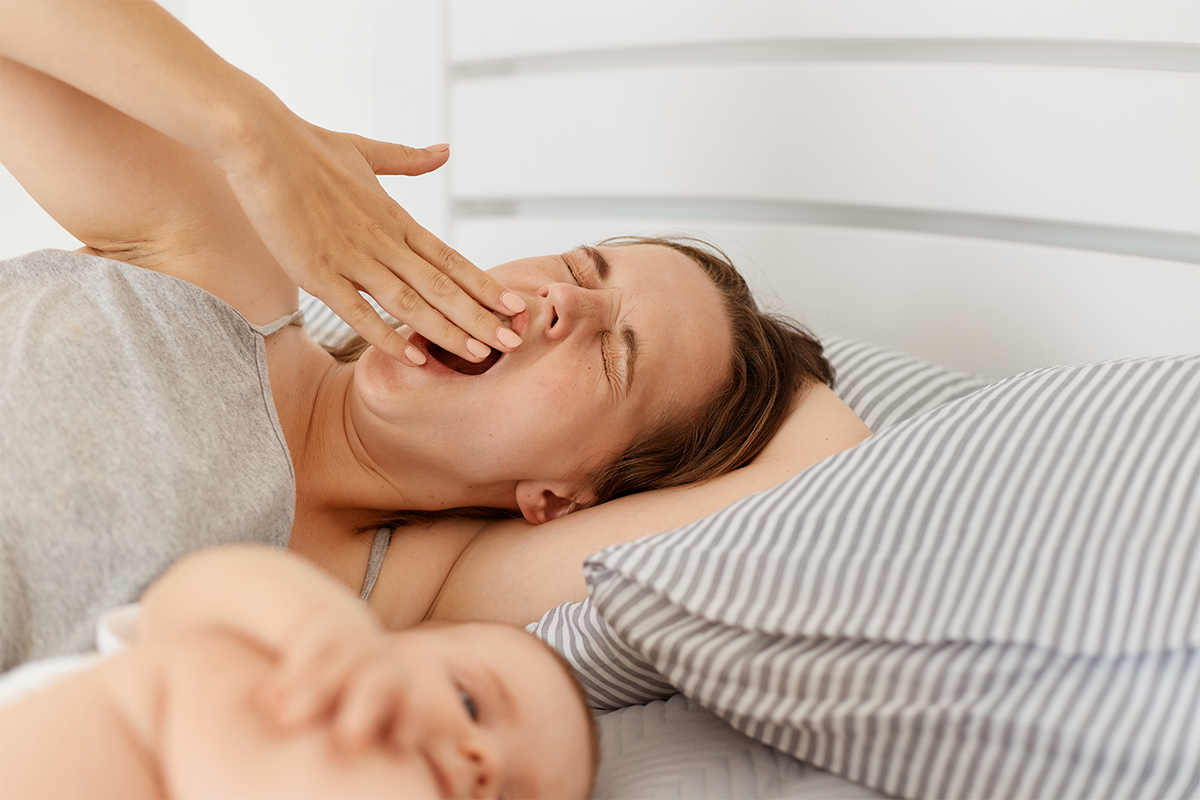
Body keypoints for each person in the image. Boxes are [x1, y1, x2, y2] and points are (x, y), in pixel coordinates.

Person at [0, 0, 872, 670]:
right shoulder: (222, 270)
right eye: (575, 270)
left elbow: (833, 469)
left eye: (614, 356)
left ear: (562, 498)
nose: (560, 305)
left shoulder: (423, 596)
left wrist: (776, 372)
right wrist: (251, 132)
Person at [0, 544, 597, 800]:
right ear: (387, 639)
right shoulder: (257, 652)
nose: (483, 764)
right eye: (470, 703)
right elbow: (188, 591)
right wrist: (323, 623)